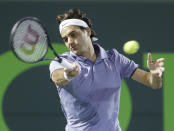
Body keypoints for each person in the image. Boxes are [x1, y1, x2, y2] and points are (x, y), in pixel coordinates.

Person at [49, 9, 165, 131]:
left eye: (73, 34)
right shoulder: (61, 62)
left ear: (87, 31)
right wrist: (68, 74)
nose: (70, 42)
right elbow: (57, 77)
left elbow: (153, 83)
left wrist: (155, 75)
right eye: (65, 39)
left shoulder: (114, 59)